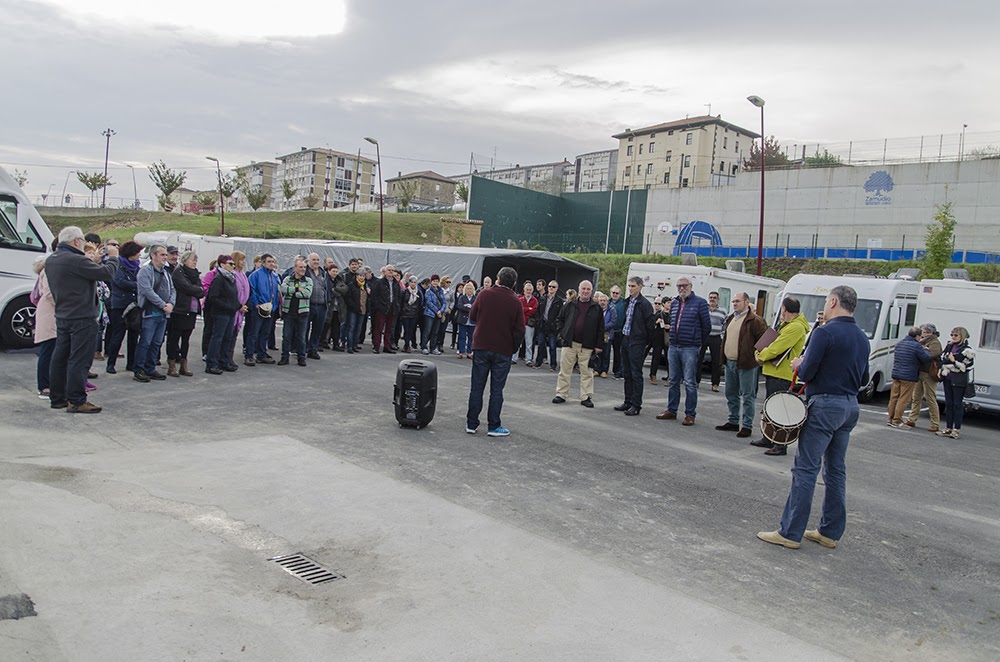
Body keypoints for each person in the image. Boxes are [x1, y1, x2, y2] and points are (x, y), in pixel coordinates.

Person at [757, 285, 870, 550]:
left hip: (825, 404)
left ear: (833, 301)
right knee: (836, 470)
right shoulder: (862, 337)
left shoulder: (824, 332)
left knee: (806, 469)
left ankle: (790, 532)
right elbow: (864, 379)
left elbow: (806, 371)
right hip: (850, 406)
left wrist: (798, 364)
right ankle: (829, 532)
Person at [44, 226, 119, 413]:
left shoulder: (53, 259)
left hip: (63, 314)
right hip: (82, 316)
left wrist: (94, 261)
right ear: (77, 241)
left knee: (60, 357)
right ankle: (77, 400)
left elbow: (80, 274)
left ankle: (58, 397)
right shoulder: (76, 260)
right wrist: (114, 257)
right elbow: (107, 274)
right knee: (79, 359)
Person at [466, 266, 525, 437]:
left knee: (476, 386)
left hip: (482, 346)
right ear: (514, 283)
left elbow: (472, 315)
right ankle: (493, 425)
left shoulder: (484, 294)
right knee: (497, 389)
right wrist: (513, 348)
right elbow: (519, 330)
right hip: (503, 349)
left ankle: (471, 423)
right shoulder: (515, 301)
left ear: (497, 278)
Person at [751, 297, 810, 456]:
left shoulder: (795, 327)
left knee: (780, 410)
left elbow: (777, 346)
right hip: (774, 372)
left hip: (782, 374)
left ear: (784, 308)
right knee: (770, 408)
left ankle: (780, 444)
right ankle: (768, 437)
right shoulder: (788, 325)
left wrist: (761, 356)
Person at [657, 277, 711, 426]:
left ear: (690, 286)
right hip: (674, 346)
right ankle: (671, 410)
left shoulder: (700, 303)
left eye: (684, 285)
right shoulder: (674, 303)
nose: (681, 288)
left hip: (690, 347)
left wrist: (697, 341)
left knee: (689, 382)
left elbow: (707, 326)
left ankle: (690, 414)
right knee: (673, 380)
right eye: (679, 286)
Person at [714, 292, 768, 437]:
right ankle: (732, 421)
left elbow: (764, 341)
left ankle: (747, 425)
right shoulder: (731, 318)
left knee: (747, 395)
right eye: (733, 301)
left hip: (746, 364)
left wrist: (756, 357)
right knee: (731, 393)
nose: (735, 304)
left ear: (746, 302)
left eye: (737, 301)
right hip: (730, 361)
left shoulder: (755, 320)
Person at [552, 280, 604, 408]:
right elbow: (559, 319)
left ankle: (586, 396)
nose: (585, 291)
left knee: (587, 372)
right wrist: (562, 334)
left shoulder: (596, 308)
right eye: (583, 289)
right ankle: (561, 394)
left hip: (587, 346)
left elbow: (600, 328)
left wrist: (598, 345)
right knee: (564, 371)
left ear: (591, 291)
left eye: (588, 289)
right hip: (570, 343)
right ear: (579, 289)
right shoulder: (570, 305)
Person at [133, 244, 176, 383]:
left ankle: (150, 368)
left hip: (163, 315)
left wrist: (171, 304)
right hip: (149, 313)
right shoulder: (145, 271)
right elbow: (147, 291)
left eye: (165, 255)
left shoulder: (166, 273)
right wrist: (163, 305)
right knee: (145, 342)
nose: (165, 257)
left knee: (157, 343)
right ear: (153, 255)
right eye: (162, 254)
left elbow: (173, 290)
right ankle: (139, 369)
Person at [614, 277, 655, 416]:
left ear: (640, 287)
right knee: (627, 373)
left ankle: (636, 405)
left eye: (633, 286)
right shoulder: (628, 301)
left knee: (636, 373)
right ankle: (628, 401)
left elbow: (650, 326)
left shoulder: (644, 304)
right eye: (629, 286)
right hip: (625, 339)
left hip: (637, 341)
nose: (630, 288)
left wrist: (644, 341)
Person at [105, 240, 142, 374]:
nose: (139, 255)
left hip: (134, 305)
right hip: (119, 305)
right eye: (137, 253)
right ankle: (111, 363)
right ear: (131, 253)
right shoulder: (118, 265)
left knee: (133, 336)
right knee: (118, 335)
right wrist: (137, 285)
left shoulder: (137, 267)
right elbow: (120, 282)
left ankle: (131, 363)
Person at [887, 326, 931, 428]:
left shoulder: (900, 343)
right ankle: (897, 420)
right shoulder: (916, 346)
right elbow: (926, 358)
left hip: (896, 373)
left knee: (894, 397)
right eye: (920, 336)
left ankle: (890, 418)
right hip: (909, 375)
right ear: (917, 336)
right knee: (904, 399)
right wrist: (926, 350)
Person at [204, 254, 242, 374]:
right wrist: (229, 306)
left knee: (227, 338)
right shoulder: (219, 278)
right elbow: (213, 297)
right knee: (217, 338)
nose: (233, 266)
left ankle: (223, 361)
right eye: (230, 264)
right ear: (222, 265)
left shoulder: (231, 278)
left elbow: (233, 296)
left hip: (230, 313)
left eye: (233, 264)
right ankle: (211, 363)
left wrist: (238, 306)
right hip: (221, 313)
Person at [167, 251, 202, 377]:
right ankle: (171, 364)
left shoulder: (195, 274)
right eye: (192, 260)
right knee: (175, 337)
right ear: (185, 260)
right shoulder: (178, 272)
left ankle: (184, 363)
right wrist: (196, 290)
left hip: (192, 310)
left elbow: (201, 291)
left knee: (186, 339)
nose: (194, 262)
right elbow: (185, 287)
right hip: (180, 309)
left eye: (196, 260)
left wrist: (196, 290)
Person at [937, 326, 975, 439]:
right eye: (952, 335)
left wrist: (954, 361)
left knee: (957, 404)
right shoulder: (949, 346)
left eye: (956, 335)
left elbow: (967, 366)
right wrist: (941, 368)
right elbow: (943, 358)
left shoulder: (967, 350)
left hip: (958, 380)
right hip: (948, 378)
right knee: (948, 404)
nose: (953, 337)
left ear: (962, 336)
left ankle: (956, 429)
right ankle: (948, 427)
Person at [905, 324, 943, 432]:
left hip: (929, 374)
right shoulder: (921, 342)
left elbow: (931, 355)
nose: (921, 334)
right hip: (920, 372)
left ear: (929, 332)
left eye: (923, 332)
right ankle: (912, 419)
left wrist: (922, 349)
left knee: (930, 398)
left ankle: (935, 423)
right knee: (916, 397)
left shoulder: (935, 342)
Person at [245, 254, 280, 365]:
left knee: (265, 333)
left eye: (273, 262)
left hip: (270, 309)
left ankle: (262, 354)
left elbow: (276, 292)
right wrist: (256, 304)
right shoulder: (255, 275)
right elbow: (252, 290)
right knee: (254, 333)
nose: (272, 264)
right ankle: (249, 355)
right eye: (269, 261)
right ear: (263, 262)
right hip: (259, 308)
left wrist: (275, 306)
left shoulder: (274, 276)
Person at [278, 257, 313, 366]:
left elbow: (307, 294)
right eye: (300, 267)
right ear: (295, 268)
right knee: (287, 336)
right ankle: (284, 357)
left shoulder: (308, 280)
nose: (303, 269)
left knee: (301, 337)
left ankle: (301, 357)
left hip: (302, 313)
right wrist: (298, 290)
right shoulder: (288, 279)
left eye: (304, 267)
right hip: (289, 312)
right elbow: (282, 289)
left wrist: (291, 292)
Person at [32, 255, 56, 399]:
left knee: (51, 349)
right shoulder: (47, 272)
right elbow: (49, 294)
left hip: (51, 312)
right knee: (47, 349)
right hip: (49, 314)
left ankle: (48, 383)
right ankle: (44, 386)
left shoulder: (48, 270)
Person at [304, 253, 329, 360]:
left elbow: (327, 288)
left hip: (321, 305)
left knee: (317, 329)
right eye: (313, 259)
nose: (316, 262)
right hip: (308, 304)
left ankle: (313, 349)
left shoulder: (323, 273)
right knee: (304, 328)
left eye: (318, 260)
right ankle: (302, 349)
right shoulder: (305, 272)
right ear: (308, 261)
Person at [700, 291, 727, 392]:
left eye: (714, 297)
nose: (712, 299)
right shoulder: (704, 310)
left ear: (718, 299)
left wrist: (722, 336)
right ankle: (696, 381)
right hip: (704, 336)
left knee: (717, 361)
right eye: (711, 297)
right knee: (698, 359)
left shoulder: (722, 311)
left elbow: (725, 325)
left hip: (716, 337)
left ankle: (715, 384)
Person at [371, 263, 401, 354]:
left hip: (392, 307)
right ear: (385, 272)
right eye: (389, 270)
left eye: (392, 270)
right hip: (382, 308)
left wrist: (397, 306)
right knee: (378, 328)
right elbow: (374, 296)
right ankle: (376, 346)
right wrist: (378, 306)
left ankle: (387, 346)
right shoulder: (379, 282)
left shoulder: (396, 283)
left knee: (389, 329)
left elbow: (398, 296)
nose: (391, 272)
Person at [535, 280, 563, 372]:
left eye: (553, 287)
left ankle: (553, 365)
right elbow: (538, 311)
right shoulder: (543, 298)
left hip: (552, 327)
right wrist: (538, 320)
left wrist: (556, 325)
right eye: (550, 286)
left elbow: (560, 315)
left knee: (552, 346)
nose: (551, 288)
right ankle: (538, 362)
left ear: (557, 289)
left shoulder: (559, 301)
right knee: (540, 344)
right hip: (542, 324)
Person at [647, 296, 670, 385]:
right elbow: (651, 324)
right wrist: (656, 322)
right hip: (658, 338)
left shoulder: (673, 315)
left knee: (669, 358)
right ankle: (653, 375)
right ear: (663, 304)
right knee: (656, 357)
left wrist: (670, 327)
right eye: (668, 303)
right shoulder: (659, 314)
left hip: (668, 338)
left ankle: (669, 377)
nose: (669, 305)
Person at [421, 274, 445, 355]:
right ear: (431, 282)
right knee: (427, 330)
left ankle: (433, 347)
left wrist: (441, 311)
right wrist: (437, 311)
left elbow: (444, 302)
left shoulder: (441, 290)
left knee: (435, 331)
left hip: (439, 314)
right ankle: (424, 347)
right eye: (434, 281)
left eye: (437, 281)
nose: (435, 282)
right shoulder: (428, 291)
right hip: (430, 314)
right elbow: (429, 302)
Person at [516, 281, 538, 366]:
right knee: (518, 342)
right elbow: (519, 310)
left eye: (530, 290)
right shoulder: (520, 299)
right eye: (527, 289)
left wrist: (525, 309)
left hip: (529, 324)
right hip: (521, 323)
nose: (528, 291)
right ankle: (514, 358)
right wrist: (528, 308)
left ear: (532, 291)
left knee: (529, 343)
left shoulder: (534, 300)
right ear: (524, 290)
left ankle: (528, 359)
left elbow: (534, 311)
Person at [400, 276, 423, 353]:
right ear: (409, 283)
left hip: (414, 314)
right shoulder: (405, 291)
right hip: (406, 314)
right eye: (412, 282)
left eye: (415, 282)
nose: (413, 284)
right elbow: (401, 302)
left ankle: (407, 344)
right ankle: (406, 345)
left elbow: (419, 304)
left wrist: (418, 313)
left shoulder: (418, 293)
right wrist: (402, 311)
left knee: (411, 330)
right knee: (406, 330)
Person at [596, 292, 616, 378]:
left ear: (607, 302)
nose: (602, 302)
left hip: (607, 334)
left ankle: (604, 370)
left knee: (606, 352)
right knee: (597, 352)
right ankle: (597, 369)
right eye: (601, 300)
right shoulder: (596, 309)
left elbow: (613, 322)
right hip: (597, 334)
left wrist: (602, 327)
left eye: (604, 301)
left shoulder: (612, 310)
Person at [455, 281, 476, 358]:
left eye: (470, 289)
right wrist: (469, 308)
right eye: (467, 289)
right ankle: (461, 351)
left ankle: (469, 352)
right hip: (463, 320)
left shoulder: (475, 298)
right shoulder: (461, 297)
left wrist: (468, 306)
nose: (469, 290)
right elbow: (460, 306)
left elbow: (476, 308)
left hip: (472, 321)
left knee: (471, 337)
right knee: (462, 336)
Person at [609, 285, 625, 379]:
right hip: (609, 330)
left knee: (618, 352)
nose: (614, 294)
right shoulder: (608, 301)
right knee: (606, 351)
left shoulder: (623, 303)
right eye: (613, 293)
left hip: (619, 331)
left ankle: (618, 370)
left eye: (617, 293)